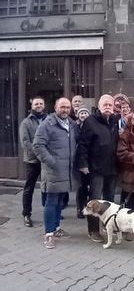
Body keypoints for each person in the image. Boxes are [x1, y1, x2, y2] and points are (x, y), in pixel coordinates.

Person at [33, 97, 77, 249]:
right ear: (56, 107)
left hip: (66, 171)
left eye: (67, 107)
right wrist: (51, 162)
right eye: (62, 107)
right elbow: (38, 145)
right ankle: (48, 234)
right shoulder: (48, 124)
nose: (65, 110)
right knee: (51, 202)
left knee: (60, 202)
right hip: (53, 171)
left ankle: (56, 228)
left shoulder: (71, 124)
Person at [76, 94, 119, 243]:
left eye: (110, 105)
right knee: (94, 201)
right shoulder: (90, 121)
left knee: (109, 200)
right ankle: (93, 230)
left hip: (112, 168)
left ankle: (108, 227)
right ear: (99, 106)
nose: (107, 107)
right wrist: (83, 164)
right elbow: (83, 144)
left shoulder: (114, 120)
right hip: (96, 169)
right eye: (105, 105)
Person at [19, 96, 47, 227]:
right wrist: (40, 154)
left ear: (44, 105)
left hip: (47, 159)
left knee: (47, 186)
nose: (39, 105)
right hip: (33, 161)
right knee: (29, 188)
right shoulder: (26, 122)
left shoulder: (49, 119)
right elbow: (26, 142)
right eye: (36, 104)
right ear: (32, 105)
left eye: (41, 103)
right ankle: (26, 214)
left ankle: (49, 211)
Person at [75, 106, 90, 219]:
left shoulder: (92, 126)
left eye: (85, 113)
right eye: (81, 113)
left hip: (91, 160)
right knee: (81, 186)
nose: (84, 115)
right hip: (79, 160)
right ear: (78, 115)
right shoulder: (75, 127)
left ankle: (87, 206)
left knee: (89, 186)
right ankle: (80, 207)